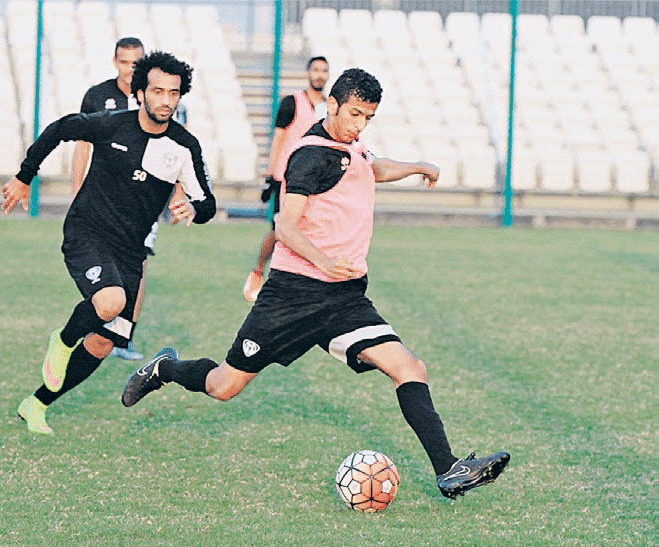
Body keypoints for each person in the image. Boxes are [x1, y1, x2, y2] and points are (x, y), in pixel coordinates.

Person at [122, 68, 510, 500]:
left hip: (344, 299)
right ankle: (164, 368)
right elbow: (285, 226)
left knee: (410, 367)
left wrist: (418, 166)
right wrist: (326, 260)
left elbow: (369, 166)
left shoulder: (350, 143)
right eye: (355, 115)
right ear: (333, 105)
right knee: (222, 387)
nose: (360, 125)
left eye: (368, 118)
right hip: (292, 297)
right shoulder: (309, 155)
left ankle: (449, 469)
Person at [2, 51, 216, 435]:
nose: (166, 100)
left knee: (103, 343)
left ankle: (35, 403)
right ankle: (63, 339)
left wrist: (193, 210)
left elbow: (208, 203)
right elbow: (58, 129)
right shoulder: (110, 125)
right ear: (140, 92)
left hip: (130, 251)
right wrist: (23, 177)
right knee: (109, 302)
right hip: (88, 231)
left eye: (174, 92)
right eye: (157, 91)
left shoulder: (184, 146)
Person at [72, 37, 187, 361]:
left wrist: (179, 195)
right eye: (125, 62)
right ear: (115, 62)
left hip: (142, 202)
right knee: (101, 266)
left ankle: (123, 337)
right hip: (100, 200)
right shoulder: (97, 96)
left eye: (137, 62)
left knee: (138, 264)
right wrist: (76, 191)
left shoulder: (157, 98)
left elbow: (180, 153)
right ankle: (97, 327)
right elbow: (83, 145)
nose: (131, 68)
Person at [242, 56, 329, 302]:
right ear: (308, 73)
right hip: (286, 179)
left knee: (309, 230)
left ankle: (301, 283)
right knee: (280, 229)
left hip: (317, 182)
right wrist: (270, 176)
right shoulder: (291, 103)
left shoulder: (328, 108)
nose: (320, 75)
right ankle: (259, 269)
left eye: (324, 70)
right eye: (316, 69)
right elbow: (278, 139)